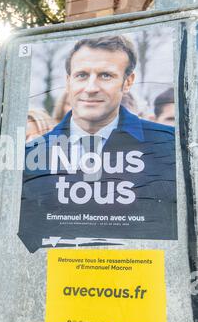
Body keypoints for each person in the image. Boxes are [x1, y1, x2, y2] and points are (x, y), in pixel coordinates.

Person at [19, 36, 177, 253]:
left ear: (128, 82)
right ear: (68, 81)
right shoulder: (32, 155)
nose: (91, 88)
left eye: (105, 75)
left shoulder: (169, 146)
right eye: (82, 75)